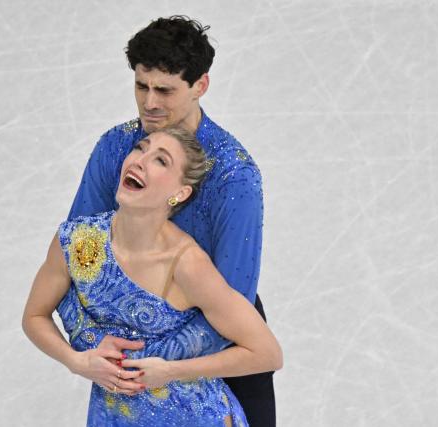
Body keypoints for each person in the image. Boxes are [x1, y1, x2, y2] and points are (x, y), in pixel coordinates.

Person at [67, 16, 277, 426]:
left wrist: (150, 359)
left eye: (164, 90)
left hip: (221, 346)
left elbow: (234, 295)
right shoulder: (115, 149)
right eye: (141, 86)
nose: (150, 103)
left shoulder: (234, 175)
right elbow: (77, 254)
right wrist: (97, 345)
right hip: (130, 351)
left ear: (201, 85)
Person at [22, 126, 282, 426]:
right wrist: (77, 361)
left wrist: (172, 370)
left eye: (161, 161)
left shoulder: (185, 263)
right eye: (139, 149)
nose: (140, 161)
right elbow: (34, 316)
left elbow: (267, 353)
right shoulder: (77, 241)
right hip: (113, 417)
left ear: (180, 193)